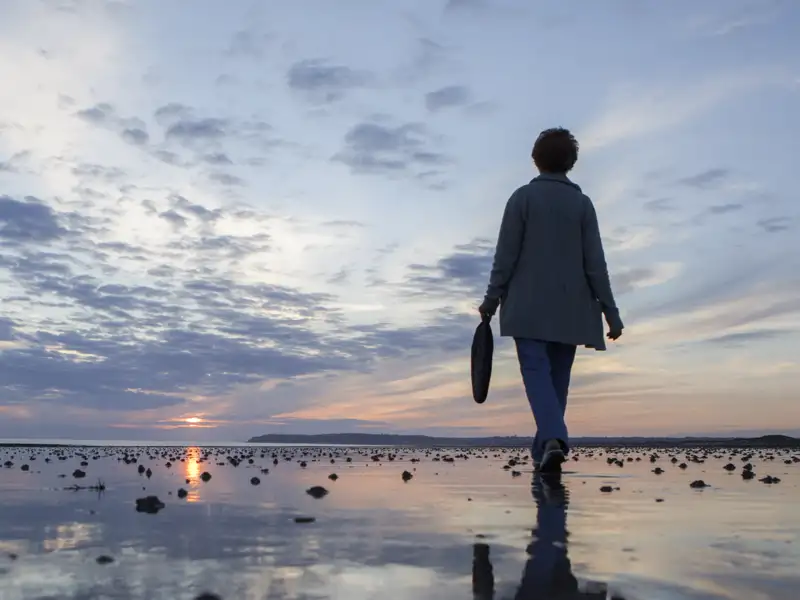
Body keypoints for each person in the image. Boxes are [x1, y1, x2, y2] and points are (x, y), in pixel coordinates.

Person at [478, 127, 624, 473]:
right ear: (571, 162)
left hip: (528, 309)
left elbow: (505, 256)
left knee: (537, 373)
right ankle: (546, 446)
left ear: (535, 159)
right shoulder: (582, 205)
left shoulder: (521, 199)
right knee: (557, 378)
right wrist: (611, 313)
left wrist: (491, 299)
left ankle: (554, 437)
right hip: (572, 311)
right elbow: (596, 265)